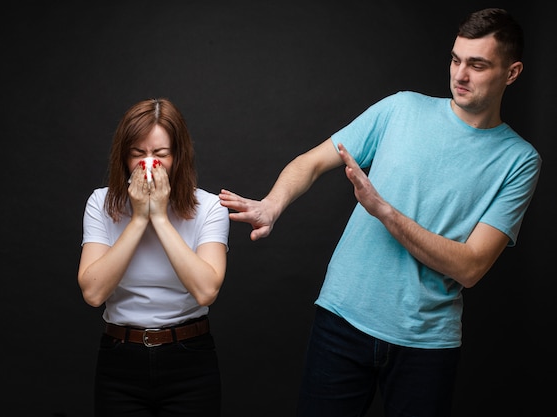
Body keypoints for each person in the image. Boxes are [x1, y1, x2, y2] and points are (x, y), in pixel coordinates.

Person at [219, 8, 541, 417]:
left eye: (478, 65)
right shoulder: (401, 109)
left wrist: (384, 212)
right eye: (456, 59)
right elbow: (311, 162)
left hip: (427, 343)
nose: (460, 75)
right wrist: (272, 204)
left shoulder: (519, 160)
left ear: (511, 73)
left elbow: (471, 267)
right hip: (341, 319)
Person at [78, 98, 230, 417]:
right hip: (120, 360)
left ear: (178, 157)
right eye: (138, 154)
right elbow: (93, 292)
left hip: (190, 360)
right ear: (124, 157)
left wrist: (159, 218)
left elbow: (206, 290)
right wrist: (138, 219)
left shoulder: (210, 208)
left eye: (160, 155)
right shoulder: (100, 203)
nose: (148, 165)